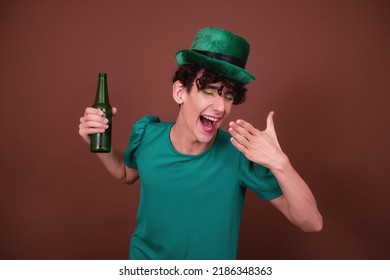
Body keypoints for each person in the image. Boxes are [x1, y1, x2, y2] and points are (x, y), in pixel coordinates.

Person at [79, 27, 323, 260]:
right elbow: (125, 172)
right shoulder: (147, 135)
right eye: (209, 90)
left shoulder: (239, 153)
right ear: (180, 92)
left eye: (228, 96)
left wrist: (280, 164)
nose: (221, 107)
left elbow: (311, 222)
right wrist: (100, 142)